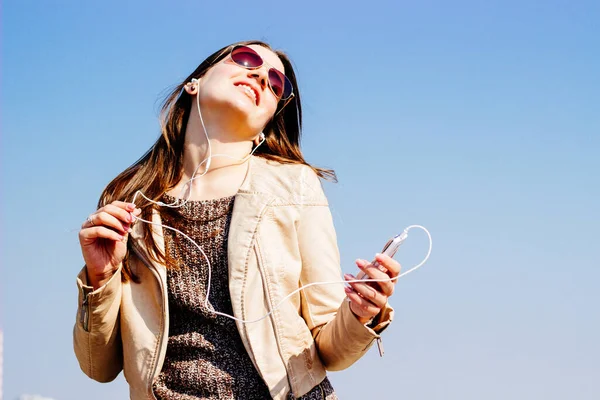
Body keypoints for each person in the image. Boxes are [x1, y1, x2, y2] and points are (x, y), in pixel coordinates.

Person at [74, 40, 400, 400]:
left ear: (267, 122)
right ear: (194, 82)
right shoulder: (133, 203)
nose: (261, 76)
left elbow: (329, 348)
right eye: (246, 59)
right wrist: (99, 278)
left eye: (278, 84)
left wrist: (360, 313)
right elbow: (97, 367)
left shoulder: (294, 184)